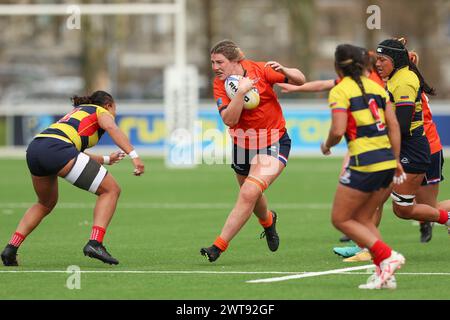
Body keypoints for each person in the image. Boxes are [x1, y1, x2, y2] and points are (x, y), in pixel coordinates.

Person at [1, 91, 145, 266]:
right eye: (114, 109)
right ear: (108, 105)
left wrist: (106, 159)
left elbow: (74, 153)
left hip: (36, 148)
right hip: (57, 149)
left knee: (45, 203)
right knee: (111, 190)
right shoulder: (100, 111)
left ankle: (11, 249)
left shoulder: (80, 112)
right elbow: (111, 128)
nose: (113, 114)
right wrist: (134, 155)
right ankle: (95, 243)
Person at [200, 39, 305, 262]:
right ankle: (268, 221)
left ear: (236, 61)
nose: (215, 67)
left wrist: (285, 70)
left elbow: (300, 79)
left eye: (219, 62)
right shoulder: (220, 84)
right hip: (242, 145)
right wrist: (240, 93)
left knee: (248, 192)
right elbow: (229, 119)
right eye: (212, 62)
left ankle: (217, 246)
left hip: (273, 142)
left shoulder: (262, 69)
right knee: (253, 197)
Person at [321, 44, 406, 289]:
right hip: (387, 161)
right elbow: (393, 126)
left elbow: (338, 130)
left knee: (341, 218)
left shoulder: (340, 90)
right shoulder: (379, 88)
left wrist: (327, 146)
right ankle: (385, 273)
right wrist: (396, 159)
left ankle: (388, 256)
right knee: (364, 219)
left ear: (337, 66)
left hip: (364, 162)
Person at [376, 39, 450, 230]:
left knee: (403, 209)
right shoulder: (396, 76)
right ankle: (365, 244)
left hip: (411, 149)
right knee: (380, 197)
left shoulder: (404, 81)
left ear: (395, 60)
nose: (378, 63)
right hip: (407, 147)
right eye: (378, 59)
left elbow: (402, 124)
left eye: (382, 59)